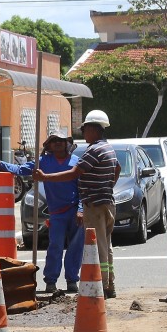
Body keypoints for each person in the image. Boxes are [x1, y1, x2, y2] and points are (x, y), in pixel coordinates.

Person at [33, 110, 121, 299]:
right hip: (106, 202)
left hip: (95, 206)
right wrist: (107, 187)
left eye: (85, 129)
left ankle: (103, 286)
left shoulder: (94, 150)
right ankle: (110, 283)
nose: (83, 133)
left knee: (99, 247)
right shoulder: (108, 148)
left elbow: (75, 173)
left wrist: (46, 177)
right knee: (107, 245)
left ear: (93, 129)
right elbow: (117, 168)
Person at [0, 131, 84, 295]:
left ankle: (72, 280)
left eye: (61, 140)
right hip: (56, 213)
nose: (58, 143)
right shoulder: (43, 162)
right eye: (54, 141)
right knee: (55, 246)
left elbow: (83, 188)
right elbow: (20, 169)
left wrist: (81, 209)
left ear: (67, 143)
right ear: (49, 145)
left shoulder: (76, 162)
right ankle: (51, 281)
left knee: (75, 248)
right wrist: (2, 164)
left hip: (74, 211)